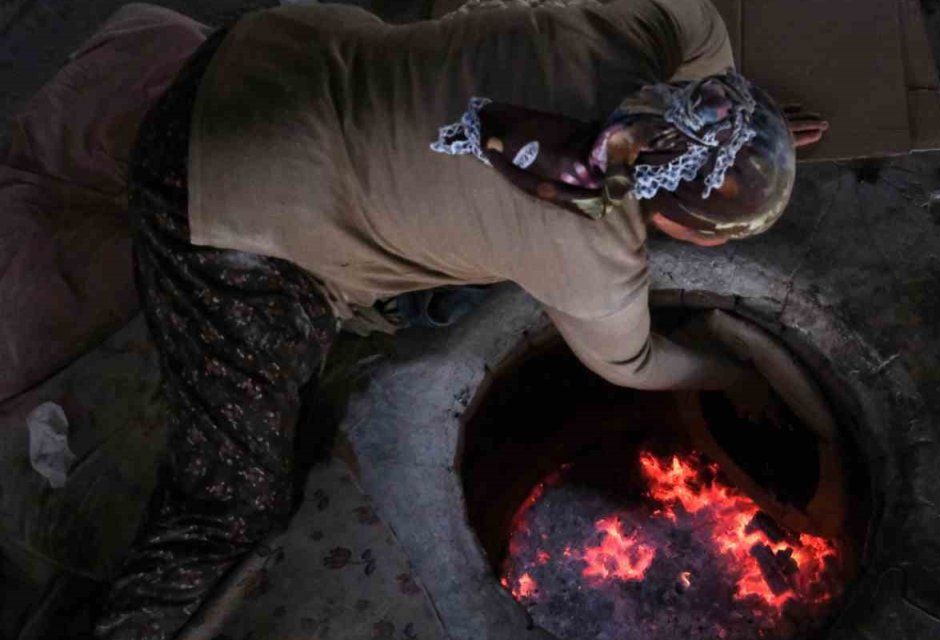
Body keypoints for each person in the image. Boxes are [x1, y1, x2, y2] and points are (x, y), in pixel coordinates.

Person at [93, 0, 827, 637]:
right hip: (216, 191)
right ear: (673, 219)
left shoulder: (658, 23)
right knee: (233, 508)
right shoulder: (590, 244)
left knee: (461, 277)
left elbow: (708, 68)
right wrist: (731, 374)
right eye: (716, 229)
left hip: (266, 58)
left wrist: (746, 140)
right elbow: (631, 363)